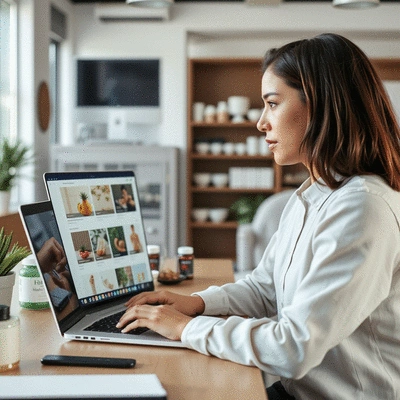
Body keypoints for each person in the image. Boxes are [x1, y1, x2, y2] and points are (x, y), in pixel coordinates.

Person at [116, 33, 400, 399]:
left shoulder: (363, 208)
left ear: (320, 105)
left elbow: (292, 347)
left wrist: (186, 328)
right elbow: (265, 287)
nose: (261, 123)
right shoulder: (312, 196)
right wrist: (197, 304)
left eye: (273, 103)